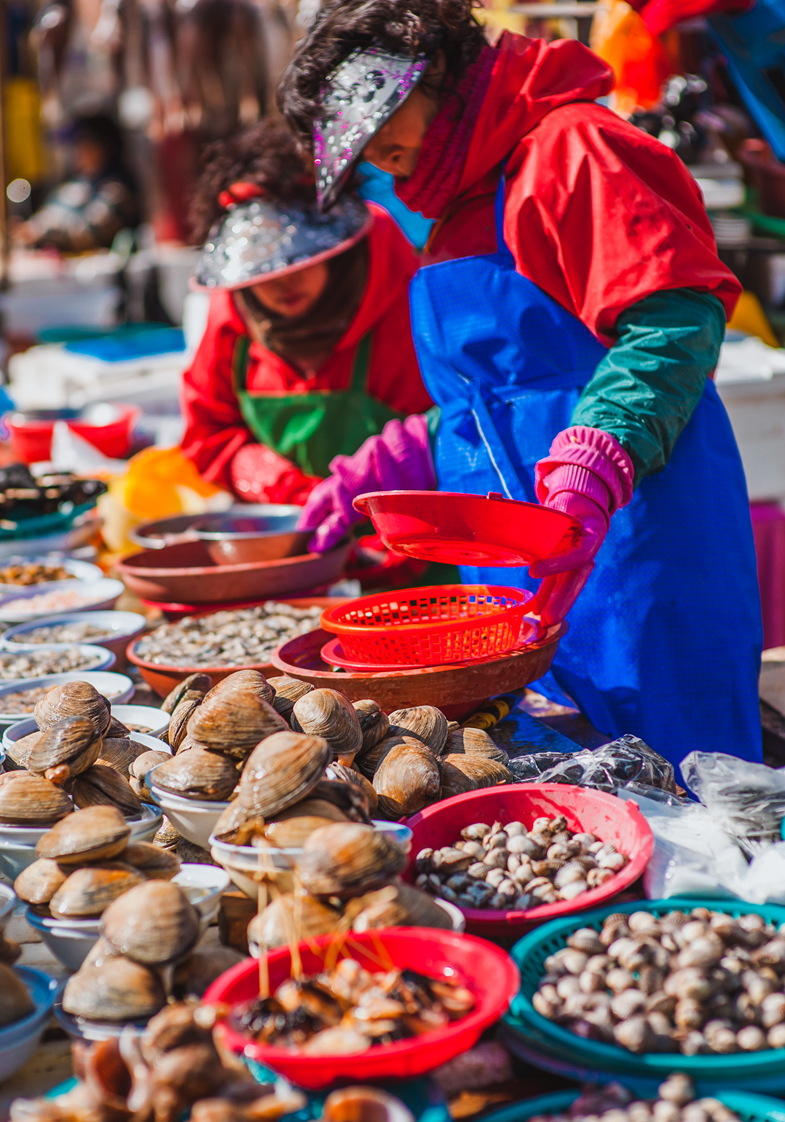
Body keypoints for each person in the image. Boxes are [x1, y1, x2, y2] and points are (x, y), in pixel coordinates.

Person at [278, 0, 763, 770]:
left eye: (376, 126)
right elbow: (496, 396)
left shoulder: (574, 148)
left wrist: (597, 456)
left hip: (639, 557)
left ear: (430, 72)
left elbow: (672, 319)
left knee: (691, 797)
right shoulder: (453, 204)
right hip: (517, 585)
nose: (373, 154)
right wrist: (401, 455)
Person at [180, 120, 432, 506]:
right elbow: (208, 436)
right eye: (263, 268)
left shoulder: (407, 298)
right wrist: (278, 484)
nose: (285, 282)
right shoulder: (233, 307)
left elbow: (456, 433)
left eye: (302, 258)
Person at [15, 113, 138, 253]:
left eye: (83, 145)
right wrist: (28, 228)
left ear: (103, 147)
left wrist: (41, 233)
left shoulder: (116, 189)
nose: (77, 153)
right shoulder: (78, 184)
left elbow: (88, 234)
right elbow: (47, 215)